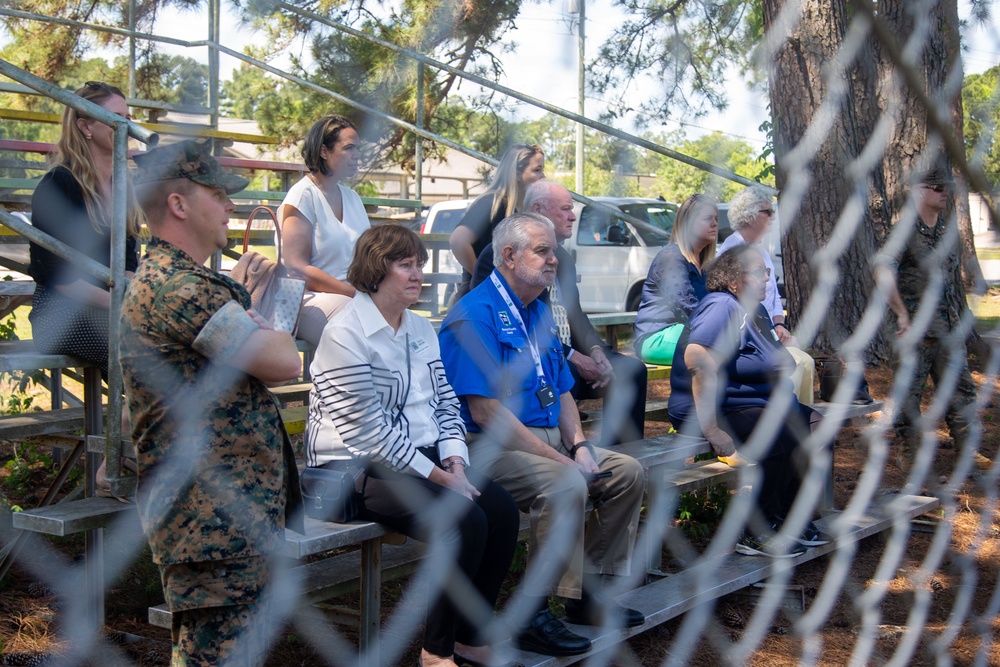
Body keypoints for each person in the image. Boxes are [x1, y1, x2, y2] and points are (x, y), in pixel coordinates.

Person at [121, 139, 304, 666]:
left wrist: (251, 317)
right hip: (210, 522)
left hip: (227, 519)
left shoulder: (192, 282)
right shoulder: (179, 286)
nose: (230, 205)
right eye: (218, 193)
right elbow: (283, 362)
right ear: (179, 204)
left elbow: (270, 350)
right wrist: (259, 327)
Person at [306, 224, 520, 667]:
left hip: (418, 461)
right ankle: (436, 652)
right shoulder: (345, 332)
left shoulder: (421, 328)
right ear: (375, 271)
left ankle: (470, 637)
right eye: (405, 265)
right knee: (462, 521)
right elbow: (367, 434)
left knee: (502, 512)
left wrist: (456, 463)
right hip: (351, 470)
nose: (418, 274)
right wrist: (443, 479)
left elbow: (444, 402)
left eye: (419, 264)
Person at [440, 213, 645, 657]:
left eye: (553, 249)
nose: (555, 258)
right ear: (509, 256)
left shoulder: (538, 310)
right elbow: (486, 411)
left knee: (627, 472)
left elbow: (564, 390)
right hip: (488, 445)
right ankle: (533, 612)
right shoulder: (475, 314)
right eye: (542, 250)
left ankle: (588, 596)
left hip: (549, 436)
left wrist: (581, 446)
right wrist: (565, 463)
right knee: (565, 483)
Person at [667, 245, 829, 557]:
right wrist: (712, 430)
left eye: (768, 272)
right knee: (780, 433)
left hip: (759, 401)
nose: (767, 278)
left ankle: (788, 517)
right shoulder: (721, 306)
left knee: (818, 427)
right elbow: (698, 361)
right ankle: (757, 531)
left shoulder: (756, 310)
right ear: (732, 280)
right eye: (758, 273)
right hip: (716, 406)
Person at [471, 179, 648, 447]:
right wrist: (573, 356)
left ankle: (621, 454)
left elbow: (576, 315)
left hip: (568, 350)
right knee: (565, 372)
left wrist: (596, 352)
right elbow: (506, 319)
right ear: (539, 208)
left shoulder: (561, 258)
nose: (573, 215)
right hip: (528, 354)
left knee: (631, 370)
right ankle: (567, 452)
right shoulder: (498, 254)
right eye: (566, 209)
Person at [27, 80, 142, 374]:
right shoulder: (58, 185)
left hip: (113, 309)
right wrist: (126, 306)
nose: (126, 126)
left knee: (167, 342)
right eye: (116, 118)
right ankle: (135, 419)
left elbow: (129, 259)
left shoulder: (122, 185)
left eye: (128, 118)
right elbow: (62, 280)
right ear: (85, 126)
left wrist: (128, 301)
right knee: (143, 346)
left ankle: (140, 417)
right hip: (61, 313)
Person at [874, 165, 981, 473]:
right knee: (910, 398)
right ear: (919, 191)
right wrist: (901, 313)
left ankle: (965, 459)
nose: (944, 192)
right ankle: (909, 459)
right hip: (915, 336)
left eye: (946, 187)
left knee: (963, 395)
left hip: (949, 331)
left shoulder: (946, 232)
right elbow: (882, 270)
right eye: (937, 187)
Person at [718, 185, 816, 405]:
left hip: (768, 331)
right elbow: (731, 303)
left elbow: (772, 300)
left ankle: (801, 419)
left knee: (807, 362)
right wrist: (768, 333)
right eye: (767, 212)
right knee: (797, 364)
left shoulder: (761, 252)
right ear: (750, 216)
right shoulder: (731, 251)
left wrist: (779, 326)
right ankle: (786, 421)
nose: (773, 216)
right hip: (747, 335)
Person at [278, 114, 371, 345]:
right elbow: (297, 268)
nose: (356, 155)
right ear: (323, 151)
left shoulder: (352, 198)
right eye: (348, 148)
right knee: (358, 325)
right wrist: (353, 293)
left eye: (358, 148)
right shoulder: (302, 196)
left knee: (400, 319)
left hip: (354, 295)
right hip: (307, 298)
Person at [448, 144, 545, 301]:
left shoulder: (523, 209)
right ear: (517, 173)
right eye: (537, 170)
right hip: (480, 301)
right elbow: (458, 241)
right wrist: (487, 280)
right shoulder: (492, 202)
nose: (543, 176)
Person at [633, 193, 718, 365]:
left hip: (692, 332)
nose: (715, 223)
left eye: (716, 218)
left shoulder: (707, 263)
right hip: (656, 336)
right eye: (708, 218)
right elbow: (689, 308)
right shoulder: (671, 257)